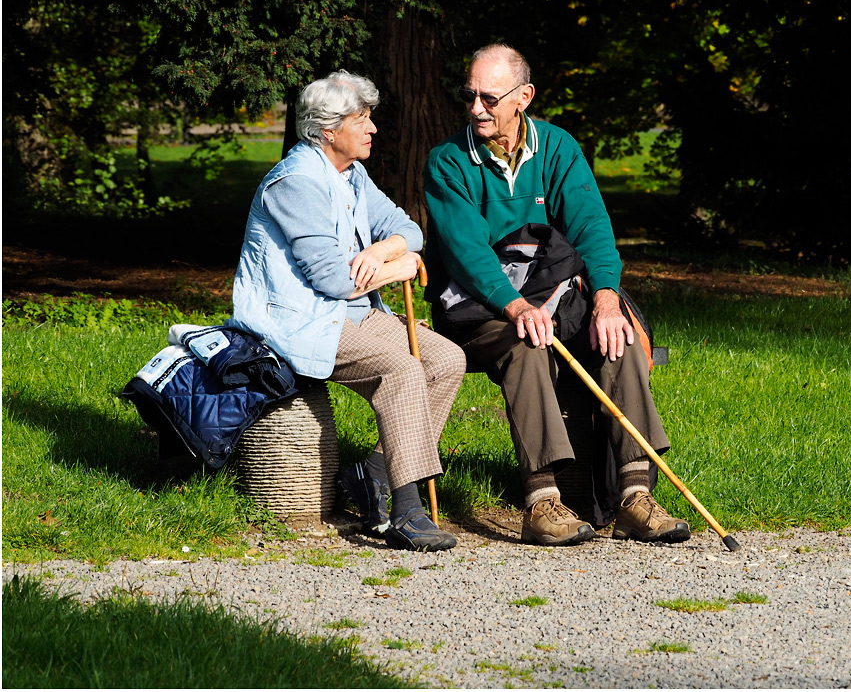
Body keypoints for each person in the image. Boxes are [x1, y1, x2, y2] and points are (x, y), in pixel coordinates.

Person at [423, 44, 691, 547]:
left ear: (523, 97)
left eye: (489, 97)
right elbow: (466, 253)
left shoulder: (558, 147)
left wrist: (607, 298)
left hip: (553, 297)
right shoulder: (448, 162)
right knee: (527, 344)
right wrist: (518, 306)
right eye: (469, 96)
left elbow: (591, 227)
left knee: (623, 336)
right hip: (478, 309)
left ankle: (635, 495)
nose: (476, 108)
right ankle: (542, 500)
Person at [228, 71, 465, 552]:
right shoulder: (295, 182)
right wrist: (401, 269)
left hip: (351, 311)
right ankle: (406, 508)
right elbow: (332, 280)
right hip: (300, 319)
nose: (373, 128)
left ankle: (373, 473)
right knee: (402, 368)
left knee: (446, 360)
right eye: (363, 118)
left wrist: (384, 253)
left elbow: (408, 228)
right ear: (328, 130)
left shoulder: (350, 174)